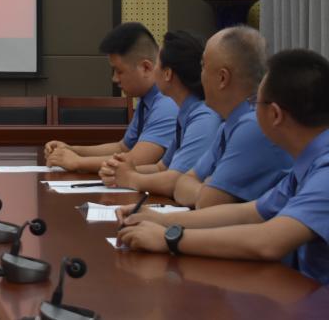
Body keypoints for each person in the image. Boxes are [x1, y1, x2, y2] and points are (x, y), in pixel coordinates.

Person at [117, 49, 329, 286]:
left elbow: (268, 241)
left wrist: (169, 238)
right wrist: (160, 220)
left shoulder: (325, 171)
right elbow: (249, 213)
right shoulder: (308, 164)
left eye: (255, 102)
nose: (252, 110)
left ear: (275, 114)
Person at [168, 25, 291, 208]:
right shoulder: (228, 124)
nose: (200, 75)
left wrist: (206, 189)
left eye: (203, 66)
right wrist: (205, 189)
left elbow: (208, 203)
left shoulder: (255, 125)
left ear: (222, 78)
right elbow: (182, 184)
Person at [100, 30, 222, 195]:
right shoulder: (186, 112)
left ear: (168, 74)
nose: (152, 69)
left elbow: (175, 180)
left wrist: (130, 178)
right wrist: (120, 171)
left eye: (156, 63)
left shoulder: (204, 118)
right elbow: (161, 168)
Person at [45, 22, 178, 172]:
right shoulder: (147, 99)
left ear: (145, 68)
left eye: (119, 71)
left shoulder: (167, 104)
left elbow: (136, 160)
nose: (114, 79)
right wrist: (72, 150)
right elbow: (122, 148)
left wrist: (78, 162)